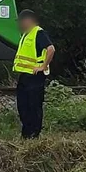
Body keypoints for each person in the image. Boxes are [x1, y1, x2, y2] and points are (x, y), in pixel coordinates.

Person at [13, 9, 55, 139]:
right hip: (25, 75)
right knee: (23, 105)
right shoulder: (26, 34)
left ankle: (33, 134)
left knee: (33, 105)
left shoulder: (39, 32)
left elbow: (51, 49)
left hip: (35, 76)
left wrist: (43, 66)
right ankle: (26, 133)